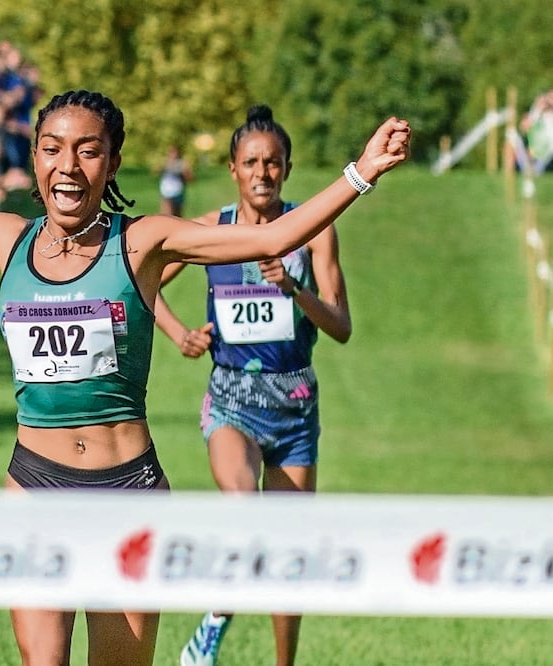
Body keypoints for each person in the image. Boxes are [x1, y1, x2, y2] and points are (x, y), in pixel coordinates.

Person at [0, 51, 409, 666]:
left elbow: (274, 236)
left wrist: (362, 171)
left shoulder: (141, 243)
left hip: (128, 491)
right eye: (52, 148)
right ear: (35, 157)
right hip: (35, 484)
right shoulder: (6, 239)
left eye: (88, 151)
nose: (68, 166)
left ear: (112, 162)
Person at [158, 105, 353, 666]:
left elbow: (340, 327)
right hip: (232, 401)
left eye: (273, 163)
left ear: (287, 169)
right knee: (246, 510)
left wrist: (293, 287)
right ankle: (218, 619)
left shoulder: (314, 229)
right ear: (233, 169)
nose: (263, 173)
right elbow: (142, 278)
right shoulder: (208, 230)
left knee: (289, 554)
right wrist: (179, 334)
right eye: (251, 163)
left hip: (295, 405)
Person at [159, 144, 193, 216]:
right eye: (171, 152)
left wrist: (185, 173)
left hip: (178, 193)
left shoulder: (182, 163)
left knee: (177, 216)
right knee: (167, 215)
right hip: (166, 193)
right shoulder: (165, 163)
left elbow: (190, 178)